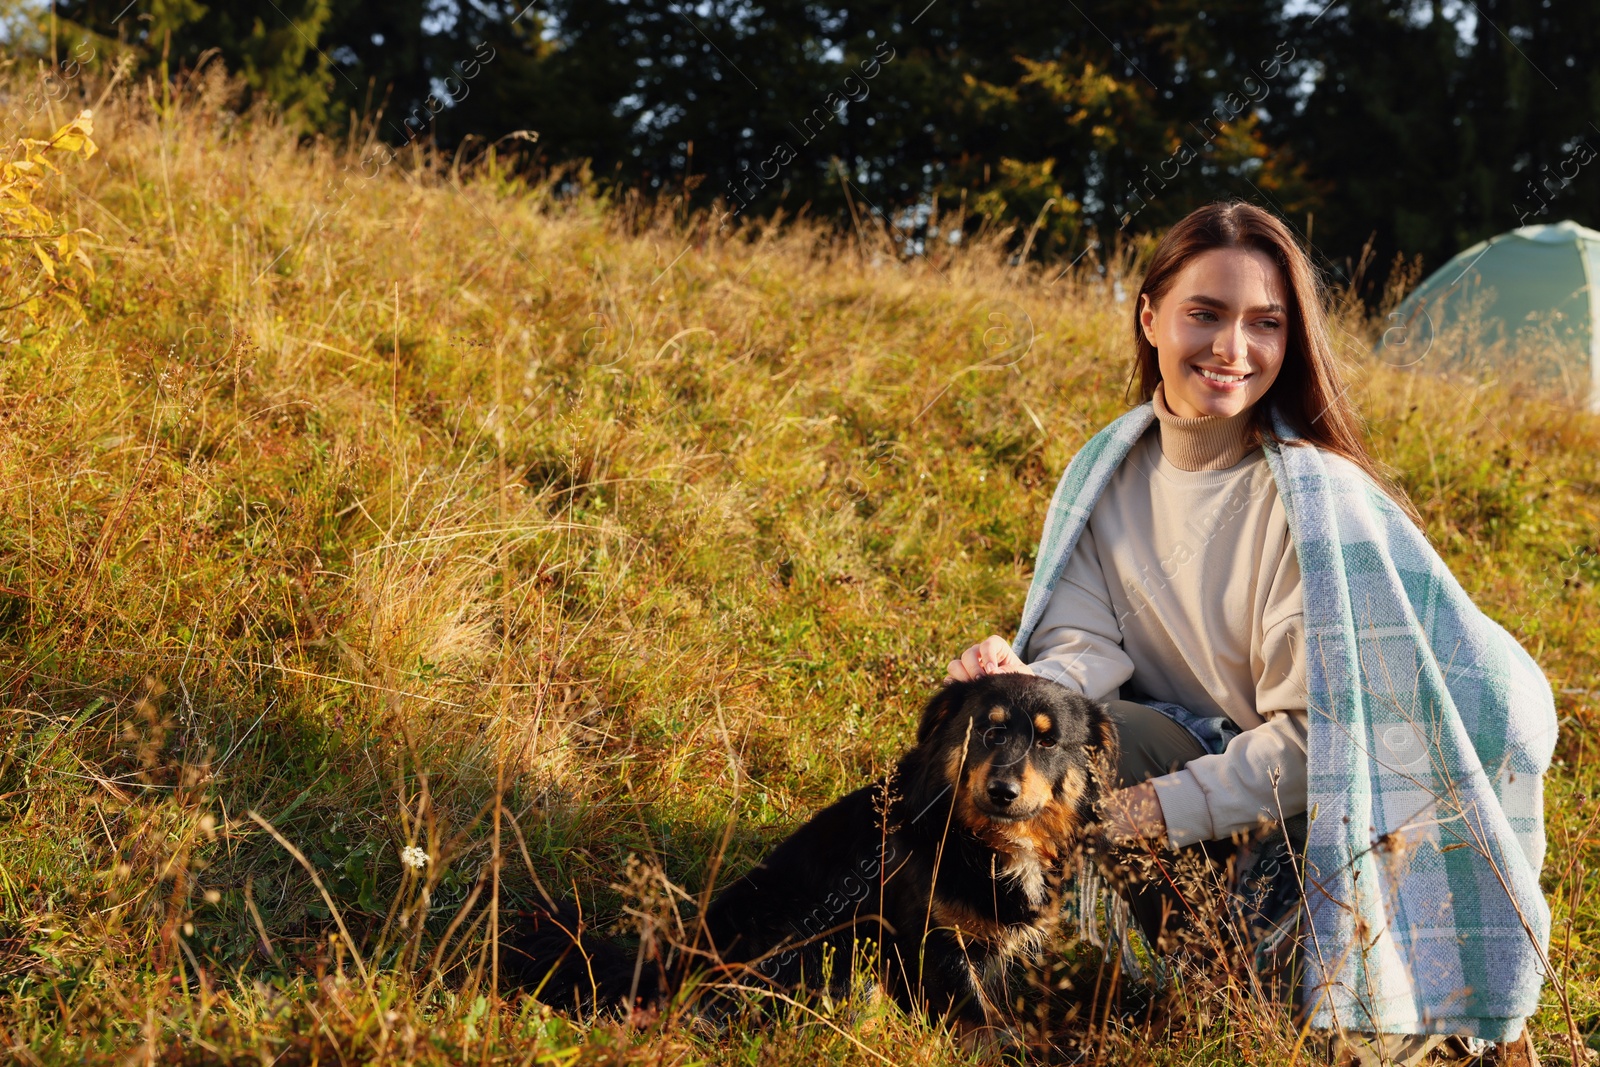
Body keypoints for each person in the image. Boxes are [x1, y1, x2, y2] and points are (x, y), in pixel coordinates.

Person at [946, 201, 1546, 1067]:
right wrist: (1017, 675)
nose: (1233, 349)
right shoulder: (1108, 466)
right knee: (1044, 753)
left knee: (1349, 1038)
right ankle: (1040, 992)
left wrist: (1151, 813)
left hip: (1343, 814)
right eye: (1205, 314)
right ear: (1150, 316)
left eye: (1265, 323)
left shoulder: (1314, 499)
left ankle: (1436, 1027)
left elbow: (1323, 740)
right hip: (1210, 779)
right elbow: (1082, 660)